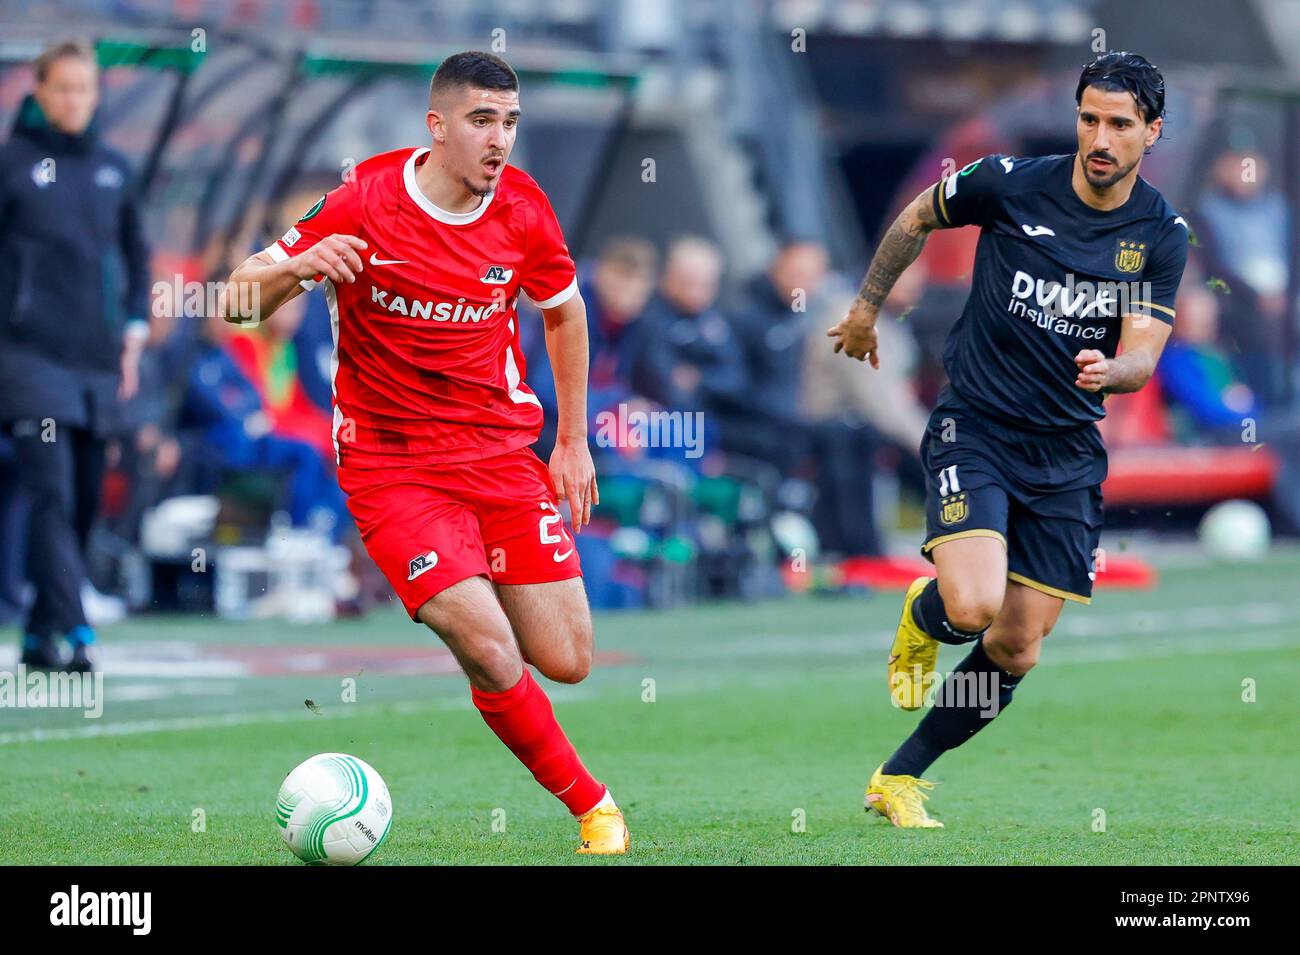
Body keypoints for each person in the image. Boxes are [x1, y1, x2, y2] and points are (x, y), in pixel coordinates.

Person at [222, 52, 628, 854]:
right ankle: (595, 807)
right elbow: (234, 299)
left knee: (569, 658)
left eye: (510, 122)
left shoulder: (523, 209)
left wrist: (574, 442)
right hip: (393, 466)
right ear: (436, 126)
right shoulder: (362, 200)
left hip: (500, 456)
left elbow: (565, 313)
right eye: (482, 120)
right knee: (486, 643)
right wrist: (298, 266)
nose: (500, 140)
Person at [828, 52, 1188, 827]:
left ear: (1151, 132)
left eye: (1119, 124)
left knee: (1019, 646)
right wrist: (865, 309)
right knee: (975, 602)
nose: (1100, 135)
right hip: (978, 426)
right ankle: (928, 618)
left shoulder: (1158, 234)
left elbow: (1144, 348)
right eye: (1089, 117)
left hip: (1067, 453)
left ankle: (898, 778)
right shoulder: (1009, 182)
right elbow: (917, 217)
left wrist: (1118, 369)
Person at [0, 41, 150, 672]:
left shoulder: (114, 170)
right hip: (28, 359)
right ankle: (77, 629)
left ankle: (38, 634)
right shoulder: (11, 165)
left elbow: (138, 257)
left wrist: (135, 332)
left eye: (83, 89)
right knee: (52, 494)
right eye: (61, 88)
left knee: (88, 499)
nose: (73, 100)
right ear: (38, 92)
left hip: (96, 364)